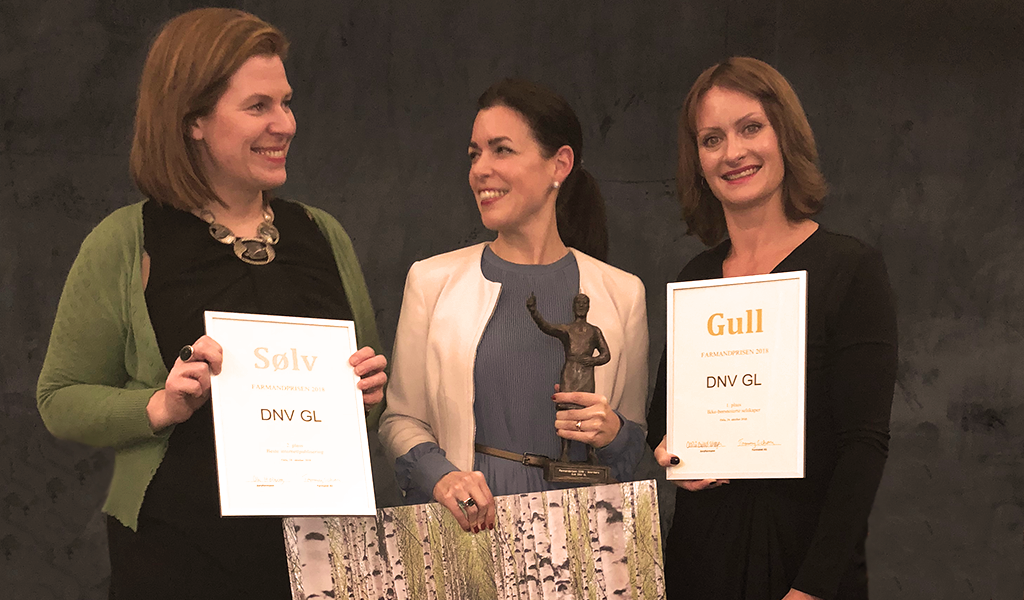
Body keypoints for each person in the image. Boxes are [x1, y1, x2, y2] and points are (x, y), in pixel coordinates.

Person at [35, 8, 387, 599]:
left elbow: (369, 405)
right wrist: (161, 405)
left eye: (286, 102)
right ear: (193, 119)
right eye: (258, 106)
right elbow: (59, 399)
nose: (285, 124)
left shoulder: (322, 234)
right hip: (177, 558)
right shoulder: (129, 241)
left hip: (322, 559)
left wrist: (368, 395)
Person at [646, 57, 898, 600]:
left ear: (785, 135)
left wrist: (812, 589)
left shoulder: (849, 269)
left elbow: (863, 447)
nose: (732, 152)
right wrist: (673, 454)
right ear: (698, 161)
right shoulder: (696, 278)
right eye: (712, 139)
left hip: (806, 567)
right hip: (701, 558)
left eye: (751, 128)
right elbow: (662, 420)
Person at [378, 79, 649, 534]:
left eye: (501, 150)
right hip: (468, 527)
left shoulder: (623, 293)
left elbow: (633, 440)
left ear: (559, 164)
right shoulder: (430, 282)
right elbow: (401, 419)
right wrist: (442, 477)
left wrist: (614, 432)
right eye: (474, 154)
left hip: (583, 535)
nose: (480, 169)